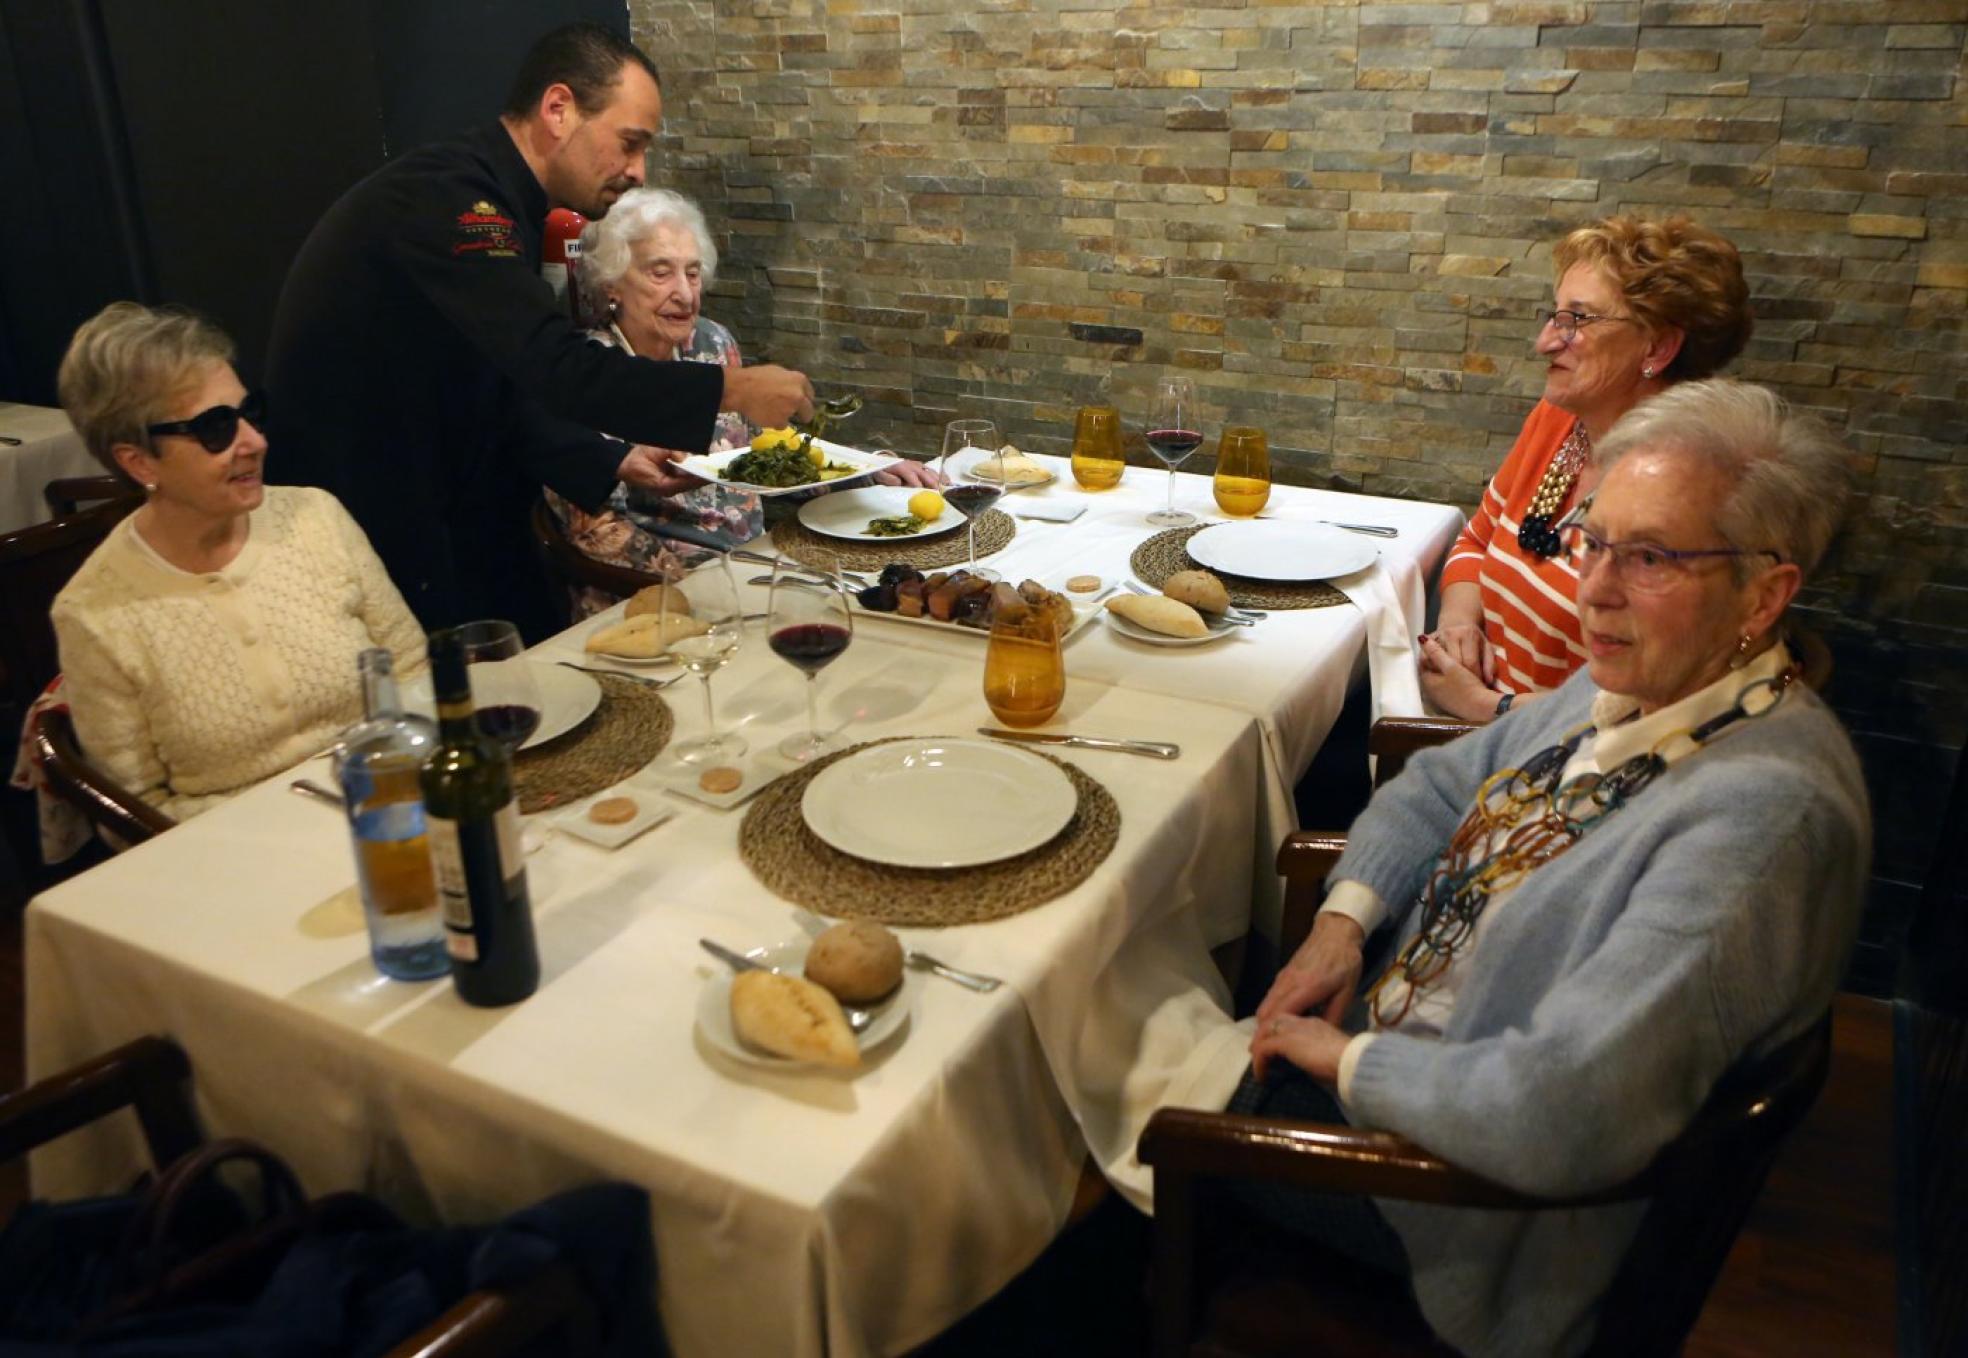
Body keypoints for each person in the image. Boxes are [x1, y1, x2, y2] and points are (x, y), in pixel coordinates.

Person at [1240, 380, 1867, 1357]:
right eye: (1594, 538)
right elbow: (1441, 782)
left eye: (1651, 554)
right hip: (1417, 1053)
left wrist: (1344, 1059)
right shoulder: (1650, 681)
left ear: (1765, 594)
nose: (1595, 589)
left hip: (1469, 1213)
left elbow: (1558, 1112)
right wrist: (1343, 922)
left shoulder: (1763, 822)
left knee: (1091, 1096)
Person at [265, 22, 815, 642]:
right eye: (629, 143)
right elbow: (555, 365)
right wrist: (730, 390)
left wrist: (614, 459)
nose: (638, 171)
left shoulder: (501, 200)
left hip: (443, 494)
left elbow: (499, 384)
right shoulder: (455, 201)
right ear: (558, 109)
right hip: (374, 507)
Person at [50, 303, 426, 822]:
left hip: (391, 808)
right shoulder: (95, 613)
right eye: (215, 428)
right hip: (236, 863)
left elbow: (412, 672)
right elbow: (136, 814)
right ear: (138, 461)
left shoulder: (316, 517)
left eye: (250, 414)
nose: (255, 442)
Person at [1420, 215, 1754, 723]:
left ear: (1658, 348)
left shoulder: (1684, 489)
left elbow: (1651, 701)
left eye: (1577, 320)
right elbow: (1477, 540)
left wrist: (1488, 708)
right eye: (1556, 315)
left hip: (1564, 768)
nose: (1545, 342)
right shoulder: (1557, 422)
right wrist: (1459, 624)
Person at [545, 188, 937, 613]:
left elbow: (774, 454)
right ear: (611, 285)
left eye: (693, 274)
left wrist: (870, 470)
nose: (685, 293)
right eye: (661, 273)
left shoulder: (712, 344)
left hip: (754, 562)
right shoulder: (586, 374)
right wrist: (706, 585)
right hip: (653, 599)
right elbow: (595, 530)